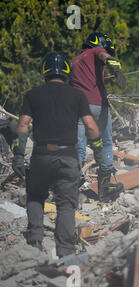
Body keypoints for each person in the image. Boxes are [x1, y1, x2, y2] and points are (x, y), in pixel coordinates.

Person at [12, 51, 102, 257]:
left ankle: (34, 241)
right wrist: (97, 147)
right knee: (66, 204)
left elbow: (23, 124)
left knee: (35, 196)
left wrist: (18, 154)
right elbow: (90, 125)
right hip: (68, 157)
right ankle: (65, 252)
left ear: (44, 71)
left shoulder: (32, 94)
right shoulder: (78, 95)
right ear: (67, 72)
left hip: (41, 156)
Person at [70, 32, 126, 202]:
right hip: (96, 105)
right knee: (106, 142)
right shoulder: (96, 52)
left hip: (77, 106)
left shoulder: (75, 60)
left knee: (79, 144)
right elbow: (105, 56)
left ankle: (73, 180)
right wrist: (117, 71)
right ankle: (105, 187)